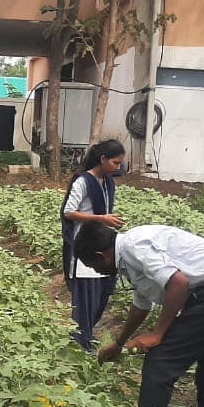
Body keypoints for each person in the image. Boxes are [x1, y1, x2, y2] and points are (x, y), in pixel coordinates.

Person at [74, 221, 204, 407]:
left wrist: (157, 334)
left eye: (95, 267)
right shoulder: (130, 255)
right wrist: (119, 343)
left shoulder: (134, 247)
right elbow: (141, 305)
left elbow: (178, 284)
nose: (99, 272)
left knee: (160, 363)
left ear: (100, 256)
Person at [61, 140, 125, 351]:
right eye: (115, 162)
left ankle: (87, 334)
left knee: (101, 295)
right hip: (85, 247)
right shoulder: (83, 181)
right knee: (86, 298)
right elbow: (69, 212)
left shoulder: (107, 182)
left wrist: (105, 221)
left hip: (103, 244)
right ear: (103, 159)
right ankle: (81, 340)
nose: (118, 167)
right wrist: (101, 218)